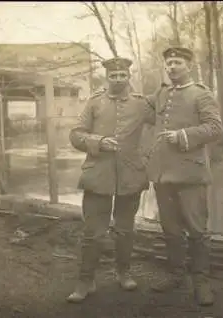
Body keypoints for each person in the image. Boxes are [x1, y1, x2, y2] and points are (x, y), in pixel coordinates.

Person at [67, 56, 153, 303]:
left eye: (122, 76)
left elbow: (164, 122)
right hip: (98, 175)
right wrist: (99, 142)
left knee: (125, 230)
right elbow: (75, 135)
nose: (118, 79)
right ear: (107, 78)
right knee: (93, 232)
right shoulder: (94, 102)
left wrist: (147, 156)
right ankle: (86, 280)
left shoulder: (141, 104)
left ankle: (124, 272)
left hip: (131, 174)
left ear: (129, 77)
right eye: (113, 76)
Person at [145, 46, 223, 306]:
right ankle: (176, 275)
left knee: (197, 231)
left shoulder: (201, 94)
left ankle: (201, 282)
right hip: (163, 174)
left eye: (177, 62)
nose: (172, 67)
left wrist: (183, 136)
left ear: (189, 65)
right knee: (171, 230)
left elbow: (215, 128)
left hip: (190, 173)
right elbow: (138, 107)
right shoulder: (161, 93)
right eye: (168, 63)